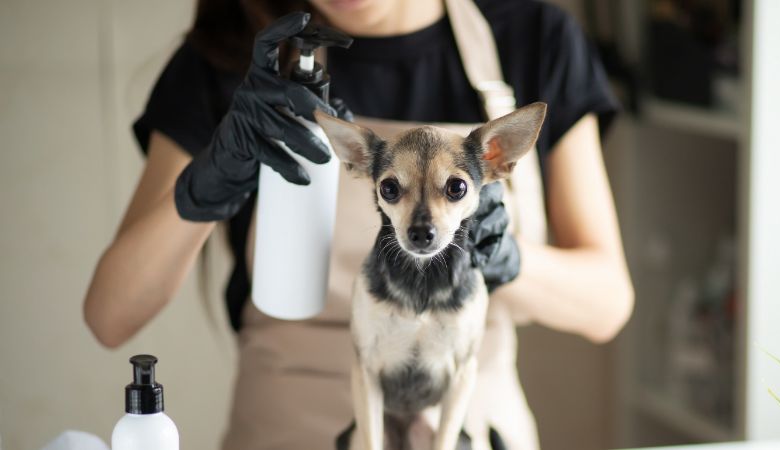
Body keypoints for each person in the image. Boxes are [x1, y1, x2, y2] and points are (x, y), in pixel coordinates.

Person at [83, 0, 634, 448]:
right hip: (287, 430)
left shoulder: (532, 37)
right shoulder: (231, 52)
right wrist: (202, 189)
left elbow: (607, 304)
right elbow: (110, 316)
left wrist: (508, 259)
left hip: (465, 427)